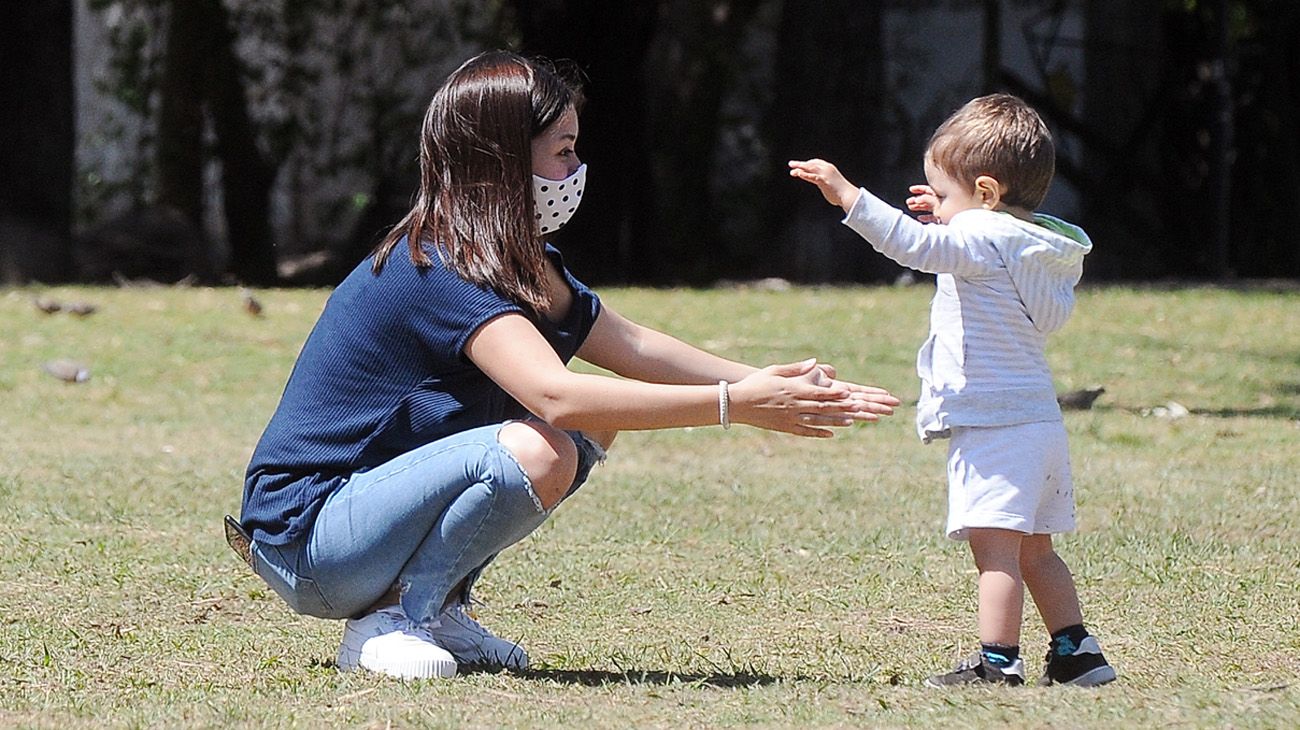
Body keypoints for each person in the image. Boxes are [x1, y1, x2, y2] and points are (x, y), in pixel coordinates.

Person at [235, 50, 900, 681]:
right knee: (544, 444)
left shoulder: (520, 263)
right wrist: (736, 407)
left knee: (590, 427)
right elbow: (554, 396)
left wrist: (762, 381)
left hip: (357, 529)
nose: (577, 167)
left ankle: (438, 607)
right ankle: (394, 618)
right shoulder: (436, 267)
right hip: (309, 542)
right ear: (500, 162)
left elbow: (630, 346)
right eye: (563, 151)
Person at [789, 93, 1116, 688]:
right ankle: (1077, 654)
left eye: (941, 194)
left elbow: (911, 246)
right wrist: (950, 211)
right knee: (1037, 551)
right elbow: (956, 243)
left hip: (993, 427)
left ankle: (999, 661)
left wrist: (847, 195)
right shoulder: (1025, 243)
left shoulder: (979, 239)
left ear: (986, 195)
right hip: (1039, 424)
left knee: (996, 554)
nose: (934, 206)